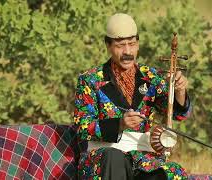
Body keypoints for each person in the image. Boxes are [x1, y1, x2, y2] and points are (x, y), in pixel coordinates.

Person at [74, 13, 191, 180]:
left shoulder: (151, 77)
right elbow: (82, 128)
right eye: (120, 45)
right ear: (108, 45)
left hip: (143, 160)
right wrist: (120, 124)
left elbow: (178, 114)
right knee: (113, 158)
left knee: (172, 172)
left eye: (132, 44)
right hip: (102, 159)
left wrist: (179, 91)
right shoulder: (90, 80)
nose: (127, 51)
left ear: (138, 44)